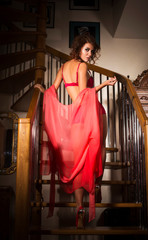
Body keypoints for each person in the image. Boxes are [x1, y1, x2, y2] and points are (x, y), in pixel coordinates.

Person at [35, 30, 117, 229]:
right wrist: (104, 84)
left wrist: (41, 90)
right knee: (99, 149)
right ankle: (95, 185)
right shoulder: (82, 66)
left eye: (92, 51)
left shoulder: (63, 67)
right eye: (87, 49)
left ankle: (80, 209)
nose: (89, 54)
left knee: (81, 163)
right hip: (93, 112)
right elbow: (83, 95)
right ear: (79, 48)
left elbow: (52, 91)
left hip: (78, 119)